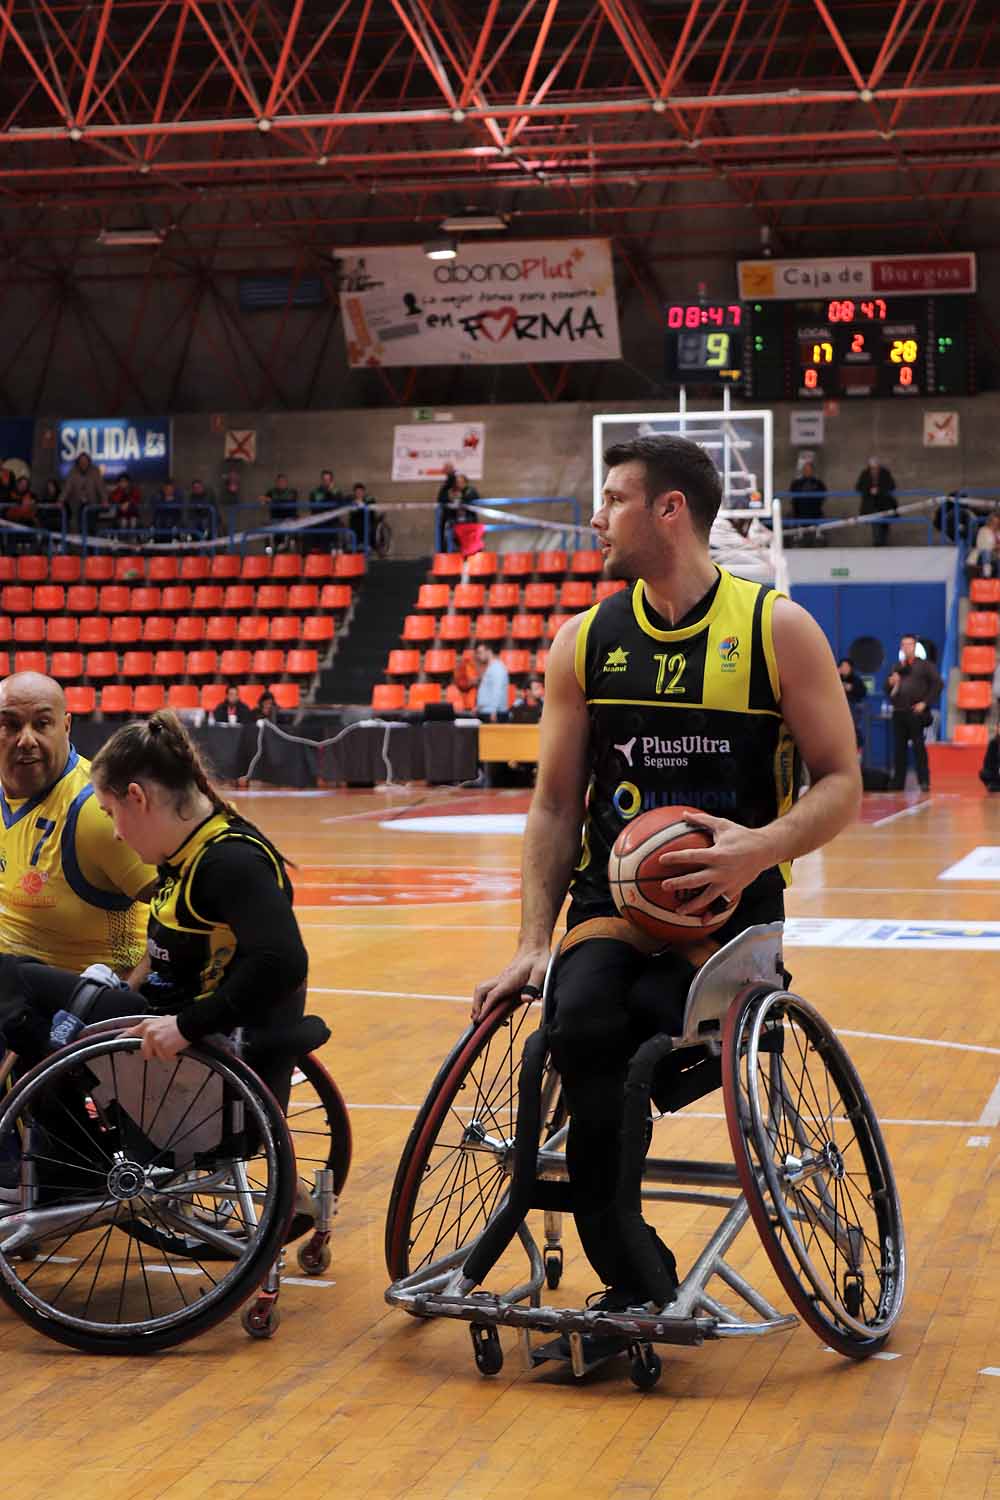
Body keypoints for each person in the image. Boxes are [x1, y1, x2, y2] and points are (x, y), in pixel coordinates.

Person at [472, 432, 861, 1317]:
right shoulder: (585, 641)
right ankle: (633, 1265)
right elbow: (553, 805)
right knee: (580, 1020)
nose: (599, 516)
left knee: (643, 1039)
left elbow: (843, 782)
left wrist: (759, 847)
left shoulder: (776, 629)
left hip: (732, 914)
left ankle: (624, 1253)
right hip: (616, 903)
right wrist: (535, 941)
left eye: (614, 498)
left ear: (669, 510)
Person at [0, 710, 309, 1126]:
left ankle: (64, 1162)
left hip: (198, 1051)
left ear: (137, 797)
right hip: (160, 1021)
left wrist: (186, 1026)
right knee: (23, 984)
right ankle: (54, 1151)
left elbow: (285, 962)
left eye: (111, 813)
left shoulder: (229, 861)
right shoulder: (185, 852)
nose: (115, 834)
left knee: (9, 977)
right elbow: (168, 956)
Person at [0, 672, 155, 976]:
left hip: (78, 1002)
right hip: (12, 988)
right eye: (11, 725)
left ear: (66, 726)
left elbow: (191, 913)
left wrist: (127, 990)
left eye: (42, 724)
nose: (27, 740)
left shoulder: (99, 809)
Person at [887, 633, 942, 792]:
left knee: (919, 747)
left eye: (909, 644)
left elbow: (938, 684)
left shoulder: (925, 665)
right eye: (903, 644)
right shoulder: (897, 666)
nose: (906, 647)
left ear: (915, 646)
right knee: (899, 749)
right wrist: (890, 683)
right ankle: (898, 782)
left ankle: (924, 781)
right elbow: (888, 689)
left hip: (915, 712)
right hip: (899, 711)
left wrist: (925, 703)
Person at [855, 457, 896, 547]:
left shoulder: (885, 473)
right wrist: (870, 490)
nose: (875, 470)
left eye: (876, 467)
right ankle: (878, 543)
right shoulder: (865, 474)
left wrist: (879, 490)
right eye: (872, 468)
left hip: (884, 503)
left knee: (885, 524)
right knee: (875, 521)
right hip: (871, 504)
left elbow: (891, 485)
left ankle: (882, 542)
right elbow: (858, 487)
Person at [60, 452, 108, 527]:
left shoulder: (95, 471)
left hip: (92, 504)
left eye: (85, 461)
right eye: (81, 461)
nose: (83, 463)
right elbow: (67, 488)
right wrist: (61, 500)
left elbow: (101, 488)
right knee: (77, 525)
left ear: (89, 461)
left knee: (92, 526)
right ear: (78, 462)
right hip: (77, 505)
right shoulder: (73, 472)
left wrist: (105, 500)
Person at [787, 460, 826, 543]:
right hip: (800, 510)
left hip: (814, 510)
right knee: (796, 516)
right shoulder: (796, 483)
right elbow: (792, 495)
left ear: (812, 471)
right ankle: (799, 535)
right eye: (805, 469)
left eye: (809, 469)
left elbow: (823, 495)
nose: (807, 471)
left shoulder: (818, 483)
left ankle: (817, 535)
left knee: (818, 517)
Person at [474, 642, 509, 722]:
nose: (478, 656)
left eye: (480, 652)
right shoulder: (490, 668)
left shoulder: (497, 668)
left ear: (489, 651)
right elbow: (487, 692)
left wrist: (494, 710)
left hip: (493, 713)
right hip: (486, 711)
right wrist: (479, 707)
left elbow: (497, 690)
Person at [264, 473, 298, 549]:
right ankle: (270, 552)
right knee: (268, 530)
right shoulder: (271, 492)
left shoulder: (292, 492)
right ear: (276, 483)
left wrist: (273, 501)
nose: (281, 483)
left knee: (293, 527)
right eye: (279, 482)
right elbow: (263, 500)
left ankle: (290, 547)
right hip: (275, 519)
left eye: (283, 481)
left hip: (288, 519)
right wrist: (266, 500)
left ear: (286, 483)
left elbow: (290, 501)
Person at [972, 511, 1000, 577]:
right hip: (983, 554)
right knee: (986, 552)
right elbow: (981, 545)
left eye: (997, 523)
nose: (995, 524)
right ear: (990, 522)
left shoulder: (999, 532)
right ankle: (987, 576)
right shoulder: (983, 530)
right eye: (993, 522)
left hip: (997, 554)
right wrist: (995, 547)